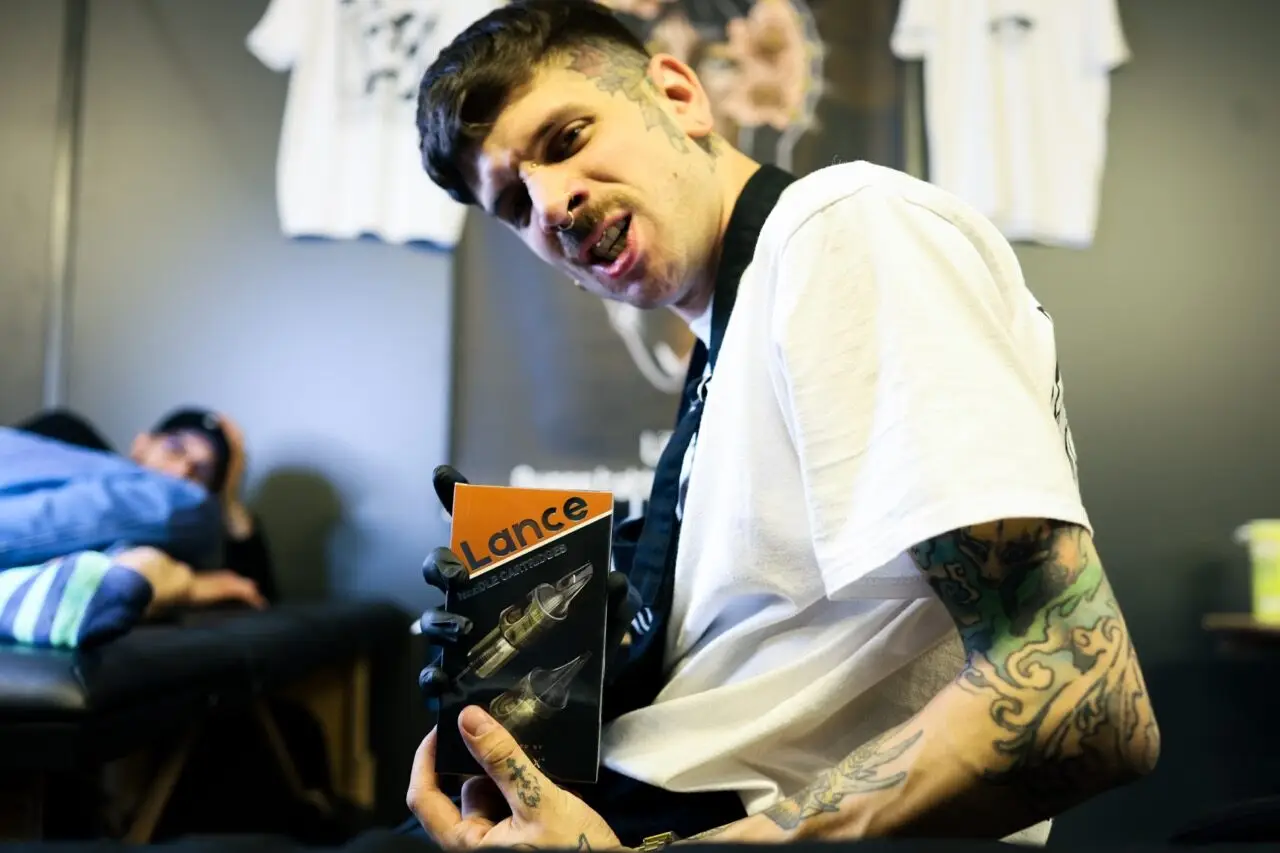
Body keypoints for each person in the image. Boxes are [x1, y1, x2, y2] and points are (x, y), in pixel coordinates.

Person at [404, 1, 1161, 849]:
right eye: (513, 203)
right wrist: (559, 667)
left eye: (568, 137)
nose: (552, 202)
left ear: (680, 95)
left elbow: (1083, 694)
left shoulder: (840, 223)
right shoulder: (728, 344)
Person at [0, 406, 275, 647]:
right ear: (141, 444)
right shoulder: (71, 436)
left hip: (105, 566)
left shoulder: (181, 544)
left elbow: (255, 595)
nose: (181, 472)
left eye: (201, 472)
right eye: (175, 449)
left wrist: (228, 500)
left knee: (149, 562)